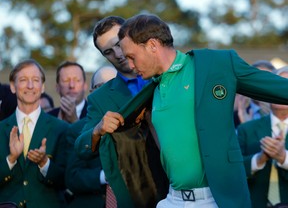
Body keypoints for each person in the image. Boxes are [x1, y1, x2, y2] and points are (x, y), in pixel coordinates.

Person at [115, 13, 288, 208]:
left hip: (216, 200)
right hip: (172, 200)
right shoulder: (150, 90)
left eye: (132, 57)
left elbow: (280, 89)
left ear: (153, 45)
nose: (130, 65)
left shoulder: (217, 65)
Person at [74, 16, 168, 208]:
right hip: (138, 195)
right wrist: (97, 130)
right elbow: (80, 148)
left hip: (186, 185)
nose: (118, 53)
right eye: (108, 51)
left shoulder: (165, 75)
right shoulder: (99, 99)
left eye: (118, 44)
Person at [0, 59, 69, 208]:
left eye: (35, 80)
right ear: (13, 86)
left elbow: (68, 179)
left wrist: (44, 163)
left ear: (42, 86)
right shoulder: (1, 129)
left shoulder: (61, 129)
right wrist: (11, 159)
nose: (30, 86)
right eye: (23, 80)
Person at [64, 65, 117, 208]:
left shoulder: (135, 125)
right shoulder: (77, 130)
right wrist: (104, 176)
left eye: (113, 84)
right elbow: (72, 177)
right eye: (101, 86)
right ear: (92, 92)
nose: (107, 91)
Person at [237, 66, 288, 208]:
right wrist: (259, 159)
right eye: (278, 85)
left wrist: (283, 157)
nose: (282, 91)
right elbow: (233, 170)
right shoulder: (246, 129)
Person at [234, 60, 276, 128]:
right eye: (257, 80)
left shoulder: (281, 112)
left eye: (267, 80)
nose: (261, 85)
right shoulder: (236, 113)